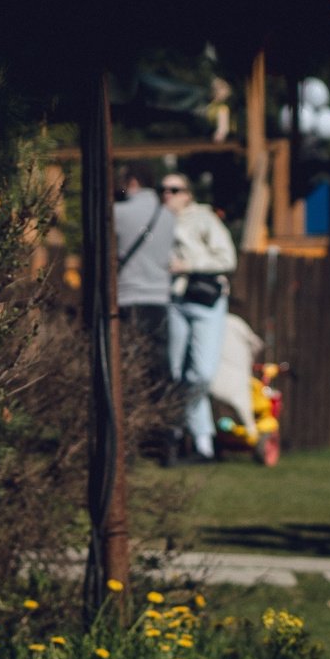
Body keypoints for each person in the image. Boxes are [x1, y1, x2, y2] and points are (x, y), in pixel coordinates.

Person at [163, 171, 238, 462]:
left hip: (205, 301)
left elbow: (227, 258)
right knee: (175, 373)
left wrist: (189, 265)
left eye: (174, 189)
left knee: (201, 374)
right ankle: (200, 444)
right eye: (163, 189)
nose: (167, 194)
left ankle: (184, 432)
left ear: (187, 194)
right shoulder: (157, 221)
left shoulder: (204, 219)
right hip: (174, 300)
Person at [114, 161, 177, 436]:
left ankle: (131, 431)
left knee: (128, 368)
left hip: (128, 299)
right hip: (159, 302)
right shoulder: (168, 215)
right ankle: (163, 434)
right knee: (158, 370)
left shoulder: (117, 213)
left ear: (132, 181)